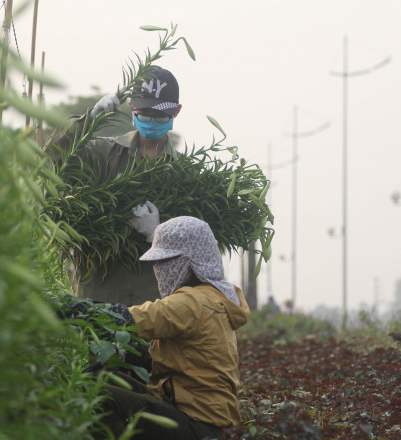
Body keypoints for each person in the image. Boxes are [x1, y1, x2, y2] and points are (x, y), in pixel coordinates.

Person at [96, 216, 251, 440]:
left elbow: (134, 319)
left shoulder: (192, 302)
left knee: (100, 398)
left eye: (165, 262)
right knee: (104, 377)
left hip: (195, 425)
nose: (160, 269)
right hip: (194, 415)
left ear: (190, 262)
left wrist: (73, 308)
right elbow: (181, 360)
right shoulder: (213, 298)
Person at [46, 66, 183, 306]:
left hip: (153, 305)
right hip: (99, 296)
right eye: (145, 113)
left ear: (176, 112)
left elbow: (193, 255)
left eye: (160, 116)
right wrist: (89, 120)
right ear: (131, 108)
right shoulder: (102, 153)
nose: (152, 121)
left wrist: (157, 234)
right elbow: (55, 156)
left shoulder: (184, 173)